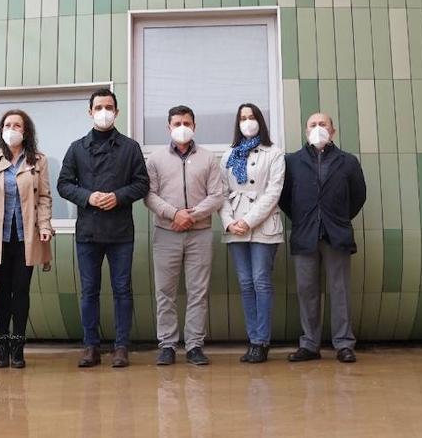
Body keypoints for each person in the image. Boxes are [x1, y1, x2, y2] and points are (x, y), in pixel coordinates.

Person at [56, 88, 150, 368]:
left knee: (122, 289)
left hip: (121, 232)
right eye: (99, 107)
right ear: (90, 112)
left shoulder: (130, 147)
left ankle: (121, 347)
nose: (104, 112)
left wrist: (118, 196)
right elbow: (63, 183)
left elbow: (142, 183)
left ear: (117, 112)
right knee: (89, 290)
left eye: (109, 107)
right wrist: (88, 197)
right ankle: (90, 346)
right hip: (87, 231)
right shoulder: (76, 147)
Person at [280, 113, 367, 364]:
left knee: (339, 289)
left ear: (333, 131)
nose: (318, 128)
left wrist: (338, 218)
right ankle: (309, 344)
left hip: (336, 234)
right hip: (305, 233)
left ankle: (344, 343)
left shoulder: (348, 162)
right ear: (306, 131)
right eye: (313, 125)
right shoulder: (292, 161)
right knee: (307, 290)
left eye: (323, 125)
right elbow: (285, 198)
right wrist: (303, 218)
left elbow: (358, 196)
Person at [0, 109, 54, 368]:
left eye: (17, 124)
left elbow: (44, 197)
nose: (12, 128)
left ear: (25, 130)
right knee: (2, 291)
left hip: (26, 237)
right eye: (7, 124)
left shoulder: (38, 161)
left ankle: (18, 345)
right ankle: (2, 344)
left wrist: (45, 225)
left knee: (21, 291)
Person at [143, 105, 224, 366]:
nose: (182, 127)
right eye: (176, 123)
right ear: (168, 127)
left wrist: (192, 216)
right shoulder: (155, 159)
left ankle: (194, 346)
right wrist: (174, 214)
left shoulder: (209, 158)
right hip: (166, 233)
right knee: (165, 291)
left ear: (194, 126)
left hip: (199, 234)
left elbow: (217, 195)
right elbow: (149, 195)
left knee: (198, 292)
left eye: (186, 122)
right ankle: (167, 345)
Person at [218, 103, 285, 364]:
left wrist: (248, 220)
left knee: (261, 281)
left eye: (252, 117)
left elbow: (273, 192)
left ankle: (261, 342)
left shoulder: (274, 153)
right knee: (245, 284)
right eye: (243, 118)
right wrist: (228, 222)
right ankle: (252, 339)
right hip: (235, 226)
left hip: (263, 225)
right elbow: (221, 193)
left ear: (260, 120)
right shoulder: (228, 155)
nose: (247, 121)